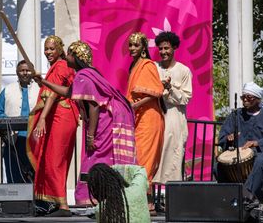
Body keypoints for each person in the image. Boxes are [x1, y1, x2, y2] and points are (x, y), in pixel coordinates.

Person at [35, 41, 137, 206]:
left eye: (69, 54)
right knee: (97, 157)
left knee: (95, 156)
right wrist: (44, 82)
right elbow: (68, 92)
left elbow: (94, 105)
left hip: (103, 122)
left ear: (76, 57)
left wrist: (90, 135)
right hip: (103, 120)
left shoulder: (84, 75)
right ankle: (102, 196)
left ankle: (92, 197)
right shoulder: (85, 74)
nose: (66, 57)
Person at [27, 35, 79, 217]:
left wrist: (42, 118)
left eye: (51, 49)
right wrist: (41, 81)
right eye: (46, 49)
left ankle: (63, 205)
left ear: (59, 49)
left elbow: (53, 95)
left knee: (55, 160)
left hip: (60, 116)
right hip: (62, 116)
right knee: (55, 159)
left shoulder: (61, 66)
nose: (48, 52)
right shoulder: (58, 67)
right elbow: (51, 89)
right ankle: (59, 202)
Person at [216, 82, 263, 206]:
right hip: (237, 157)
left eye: (249, 97)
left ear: (257, 99)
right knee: (218, 166)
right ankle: (228, 200)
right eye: (243, 97)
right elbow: (222, 137)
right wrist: (228, 139)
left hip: (260, 156)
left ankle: (247, 197)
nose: (245, 100)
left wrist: (257, 143)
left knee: (261, 160)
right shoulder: (235, 115)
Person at [126, 32, 164, 211]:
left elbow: (155, 92)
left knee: (144, 160)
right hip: (138, 118)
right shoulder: (134, 66)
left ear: (143, 48)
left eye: (136, 45)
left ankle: (145, 204)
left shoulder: (147, 65)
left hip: (149, 118)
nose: (132, 48)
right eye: (130, 45)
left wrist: (135, 106)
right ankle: (147, 204)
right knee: (138, 161)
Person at [152, 32, 192, 185]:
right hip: (156, 117)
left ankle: (172, 201)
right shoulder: (154, 67)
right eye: (160, 49)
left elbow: (186, 98)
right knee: (154, 156)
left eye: (166, 48)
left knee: (173, 159)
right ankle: (151, 201)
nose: (163, 52)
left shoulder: (183, 71)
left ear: (174, 47)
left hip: (174, 120)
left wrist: (170, 89)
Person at [0, 60, 39, 183]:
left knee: (36, 172)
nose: (25, 73)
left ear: (33, 72)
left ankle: (36, 201)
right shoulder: (7, 90)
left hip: (36, 140)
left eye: (28, 70)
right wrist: (10, 122)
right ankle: (16, 201)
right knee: (14, 171)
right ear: (17, 73)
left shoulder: (40, 90)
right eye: (22, 70)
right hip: (13, 139)